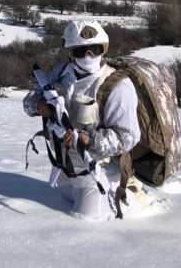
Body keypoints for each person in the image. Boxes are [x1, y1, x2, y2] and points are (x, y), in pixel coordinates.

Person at [23, 20, 144, 221]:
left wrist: (89, 139)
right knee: (64, 196)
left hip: (99, 169)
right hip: (66, 168)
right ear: (70, 52)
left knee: (86, 217)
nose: (88, 56)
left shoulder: (118, 85)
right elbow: (28, 102)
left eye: (94, 49)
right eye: (81, 51)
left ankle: (131, 192)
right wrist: (39, 106)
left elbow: (128, 137)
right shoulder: (62, 72)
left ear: (103, 49)